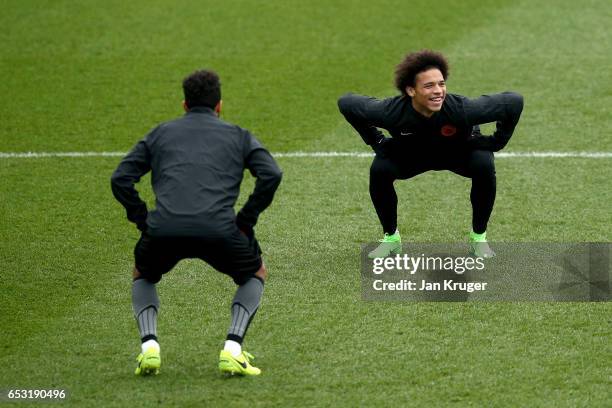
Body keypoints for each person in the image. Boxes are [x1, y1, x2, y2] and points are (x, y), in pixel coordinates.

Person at [111, 69, 282, 376]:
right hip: (220, 230)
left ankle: (149, 347)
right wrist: (246, 220)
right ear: (219, 105)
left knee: (143, 273)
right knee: (254, 272)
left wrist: (143, 220)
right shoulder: (239, 135)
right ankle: (232, 348)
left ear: (184, 104)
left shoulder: (160, 133)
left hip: (163, 229)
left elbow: (120, 179)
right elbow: (272, 174)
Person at [338, 50, 523, 259]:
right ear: (410, 90)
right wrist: (376, 140)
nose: (438, 91)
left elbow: (513, 102)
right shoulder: (391, 112)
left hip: (458, 152)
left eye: (441, 84)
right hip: (413, 154)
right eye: (429, 85)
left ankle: (479, 238)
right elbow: (347, 103)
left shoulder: (461, 109)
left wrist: (496, 142)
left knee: (483, 164)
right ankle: (391, 238)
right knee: (380, 169)